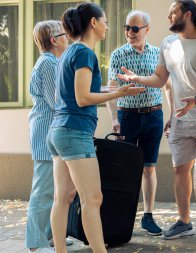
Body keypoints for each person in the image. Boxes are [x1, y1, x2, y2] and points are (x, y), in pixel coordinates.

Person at [117, 0, 196, 240]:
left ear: (189, 14)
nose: (169, 17)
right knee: (180, 169)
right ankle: (184, 221)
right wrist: (138, 79)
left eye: (173, 12)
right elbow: (160, 78)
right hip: (182, 119)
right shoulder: (168, 43)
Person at [46, 3, 144, 253]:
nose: (107, 26)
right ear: (93, 23)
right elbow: (81, 98)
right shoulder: (85, 53)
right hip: (74, 133)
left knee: (63, 198)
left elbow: (79, 92)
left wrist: (114, 89)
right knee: (93, 199)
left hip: (59, 131)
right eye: (105, 21)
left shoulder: (69, 51)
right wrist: (118, 94)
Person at [106, 10, 167, 236]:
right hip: (127, 117)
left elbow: (166, 85)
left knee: (149, 168)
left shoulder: (159, 53)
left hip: (154, 116)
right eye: (126, 28)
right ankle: (123, 216)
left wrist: (171, 115)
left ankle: (148, 216)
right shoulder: (118, 55)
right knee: (126, 169)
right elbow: (112, 89)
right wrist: (114, 118)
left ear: (146, 30)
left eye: (134, 28)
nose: (129, 32)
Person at [26, 20, 68, 253]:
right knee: (42, 191)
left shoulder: (51, 61)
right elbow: (56, 102)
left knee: (52, 189)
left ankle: (51, 236)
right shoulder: (50, 64)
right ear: (54, 40)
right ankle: (36, 243)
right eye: (63, 34)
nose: (67, 38)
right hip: (45, 132)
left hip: (46, 130)